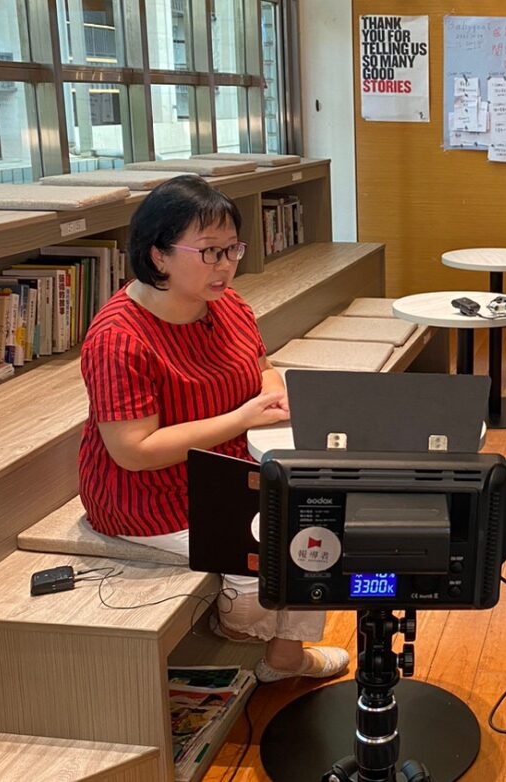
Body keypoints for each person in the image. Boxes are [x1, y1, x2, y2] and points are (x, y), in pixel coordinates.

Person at [79, 176, 348, 683]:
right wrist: (243, 418)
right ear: (158, 255)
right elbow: (133, 451)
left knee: (319, 521)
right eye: (209, 252)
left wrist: (272, 393)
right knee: (267, 567)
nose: (226, 265)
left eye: (232, 250)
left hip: (231, 466)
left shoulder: (228, 304)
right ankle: (248, 633)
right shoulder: (118, 338)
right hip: (148, 496)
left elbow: (261, 365)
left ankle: (284, 658)